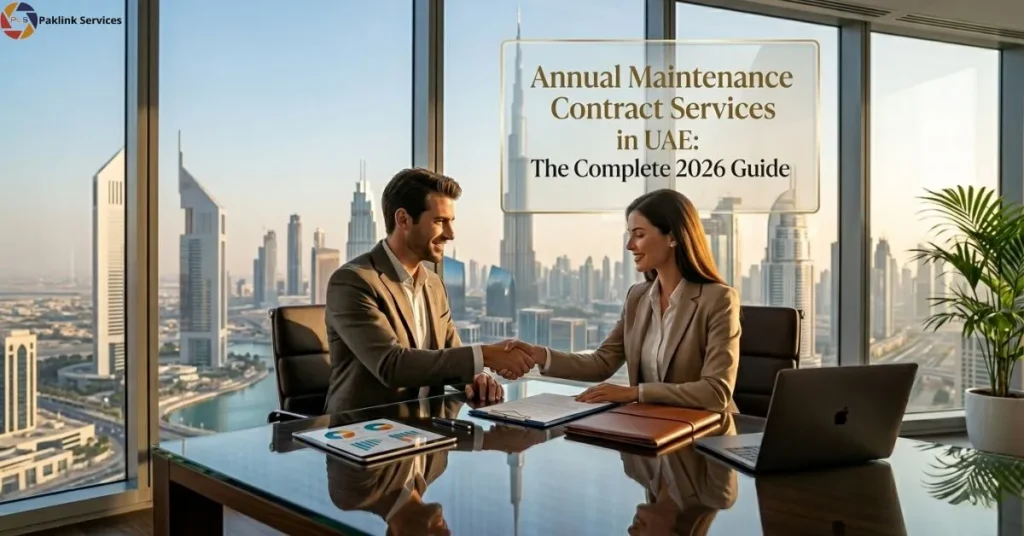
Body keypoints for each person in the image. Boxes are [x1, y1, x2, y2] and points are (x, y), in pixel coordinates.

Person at [503, 189, 741, 412]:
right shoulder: (637, 297)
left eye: (639, 235)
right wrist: (539, 355)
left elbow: (716, 391)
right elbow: (601, 363)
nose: (630, 245)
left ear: (673, 237)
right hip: (650, 428)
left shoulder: (718, 300)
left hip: (707, 436)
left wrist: (635, 393)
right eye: (630, 235)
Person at [324, 168, 534, 414]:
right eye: (439, 221)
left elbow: (450, 358)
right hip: (363, 437)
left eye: (451, 222)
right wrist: (485, 355)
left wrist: (473, 378)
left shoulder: (433, 284)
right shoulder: (353, 281)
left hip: (427, 433)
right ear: (403, 219)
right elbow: (391, 366)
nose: (450, 234)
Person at [621, 413, 739, 536]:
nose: (631, 532)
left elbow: (617, 415)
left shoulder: (634, 468)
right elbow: (721, 422)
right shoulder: (716, 493)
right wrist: (655, 401)